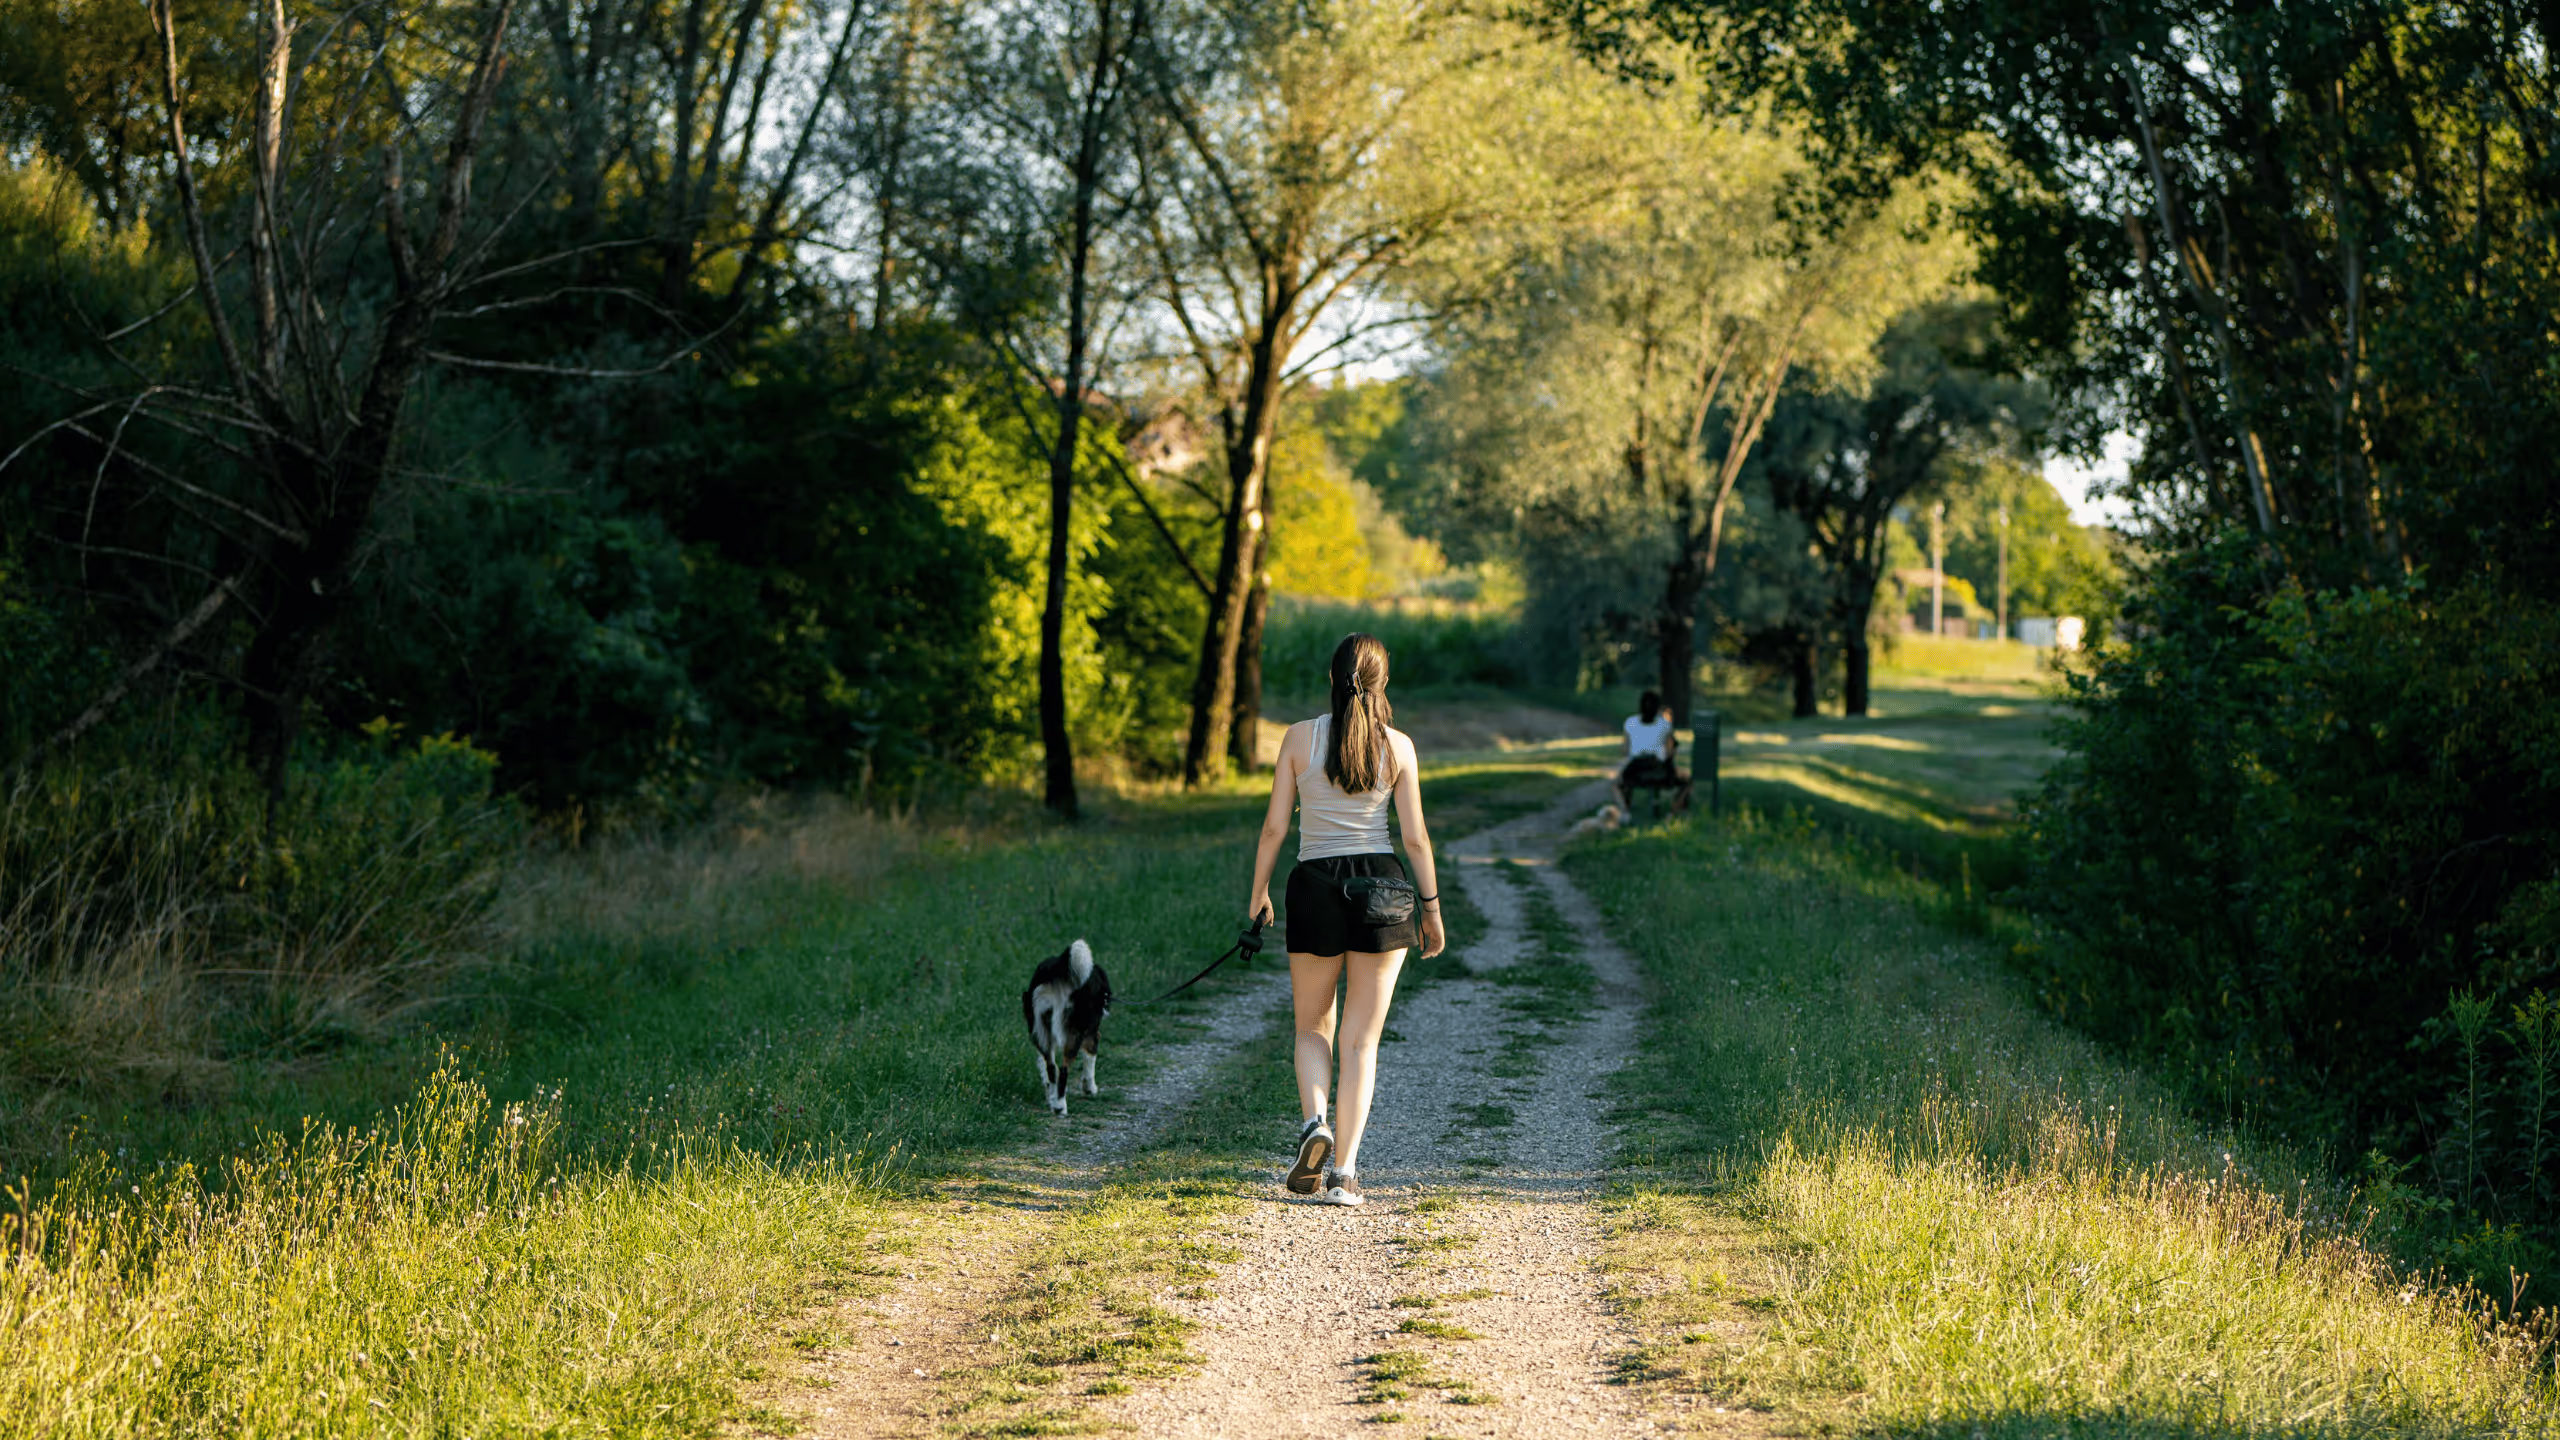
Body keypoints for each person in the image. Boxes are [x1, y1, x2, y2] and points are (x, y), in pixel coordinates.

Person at [1246, 632, 1445, 1207]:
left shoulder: (1298, 739)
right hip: (1382, 890)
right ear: (1384, 685)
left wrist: (1259, 892)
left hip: (1313, 886)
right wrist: (1430, 911)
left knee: (1312, 1028)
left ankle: (1315, 1125)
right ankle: (1345, 1175)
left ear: (1331, 680)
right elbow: (1415, 838)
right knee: (1362, 1041)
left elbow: (1275, 830)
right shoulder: (1399, 747)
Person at [1615, 688, 1690, 813]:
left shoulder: (1630, 722)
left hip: (1634, 772)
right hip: (1660, 772)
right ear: (1658, 707)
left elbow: (1625, 750)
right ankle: (1675, 810)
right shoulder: (1664, 724)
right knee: (1687, 781)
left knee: (1617, 784)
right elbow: (1669, 753)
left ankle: (1624, 810)